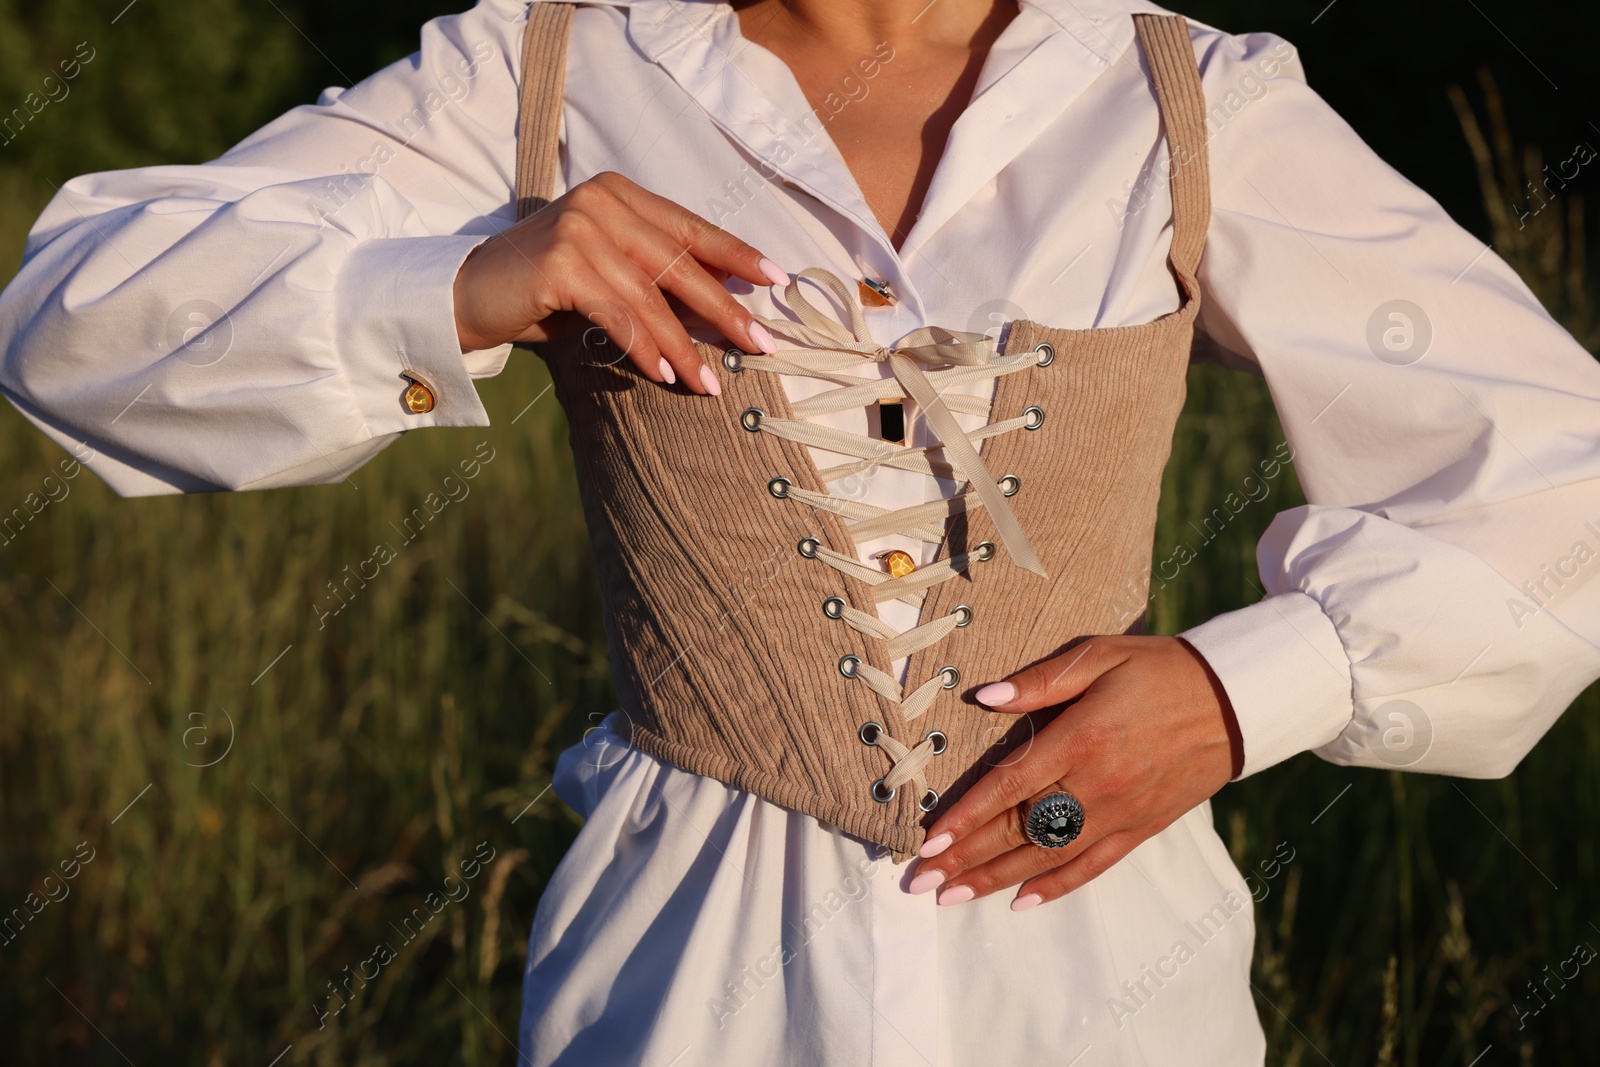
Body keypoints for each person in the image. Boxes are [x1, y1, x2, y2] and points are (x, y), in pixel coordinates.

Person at [2, 0, 1598, 1063]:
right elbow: (76, 318)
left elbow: (1558, 463)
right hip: (690, 982)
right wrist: (472, 277)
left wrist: (1249, 691)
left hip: (1100, 977)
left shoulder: (1180, 95)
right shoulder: (544, 70)